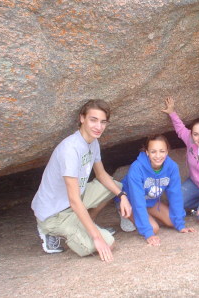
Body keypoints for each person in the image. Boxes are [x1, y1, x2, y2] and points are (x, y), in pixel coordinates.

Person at [31, 99, 132, 262]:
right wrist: (97, 237)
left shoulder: (93, 142)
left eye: (103, 122)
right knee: (108, 243)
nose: (98, 127)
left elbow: (101, 175)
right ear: (82, 118)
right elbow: (74, 200)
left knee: (114, 186)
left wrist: (122, 195)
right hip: (55, 214)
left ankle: (86, 224)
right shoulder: (70, 150)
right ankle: (50, 231)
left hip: (73, 203)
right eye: (93, 120)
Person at [120, 134, 195, 246]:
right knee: (153, 228)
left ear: (167, 151)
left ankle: (147, 214)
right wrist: (148, 233)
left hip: (150, 200)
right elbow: (138, 200)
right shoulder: (137, 168)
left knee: (172, 221)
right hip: (131, 201)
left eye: (162, 151)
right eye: (153, 151)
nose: (158, 156)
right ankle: (124, 212)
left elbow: (176, 195)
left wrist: (180, 225)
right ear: (147, 152)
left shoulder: (172, 167)